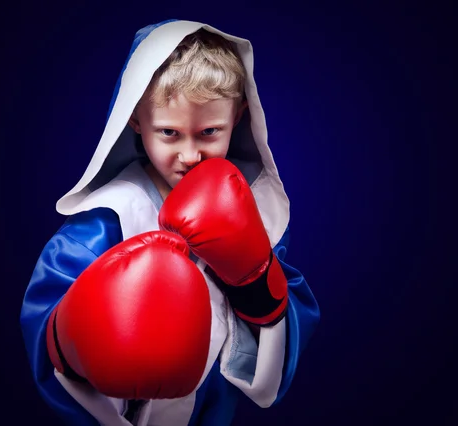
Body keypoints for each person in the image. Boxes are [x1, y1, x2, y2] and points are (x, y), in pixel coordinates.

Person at [19, 19, 320, 426]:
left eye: (210, 131)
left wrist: (255, 286)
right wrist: (70, 339)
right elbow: (42, 330)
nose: (190, 154)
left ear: (239, 118)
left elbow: (287, 331)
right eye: (169, 133)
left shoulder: (257, 214)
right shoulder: (102, 227)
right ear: (135, 122)